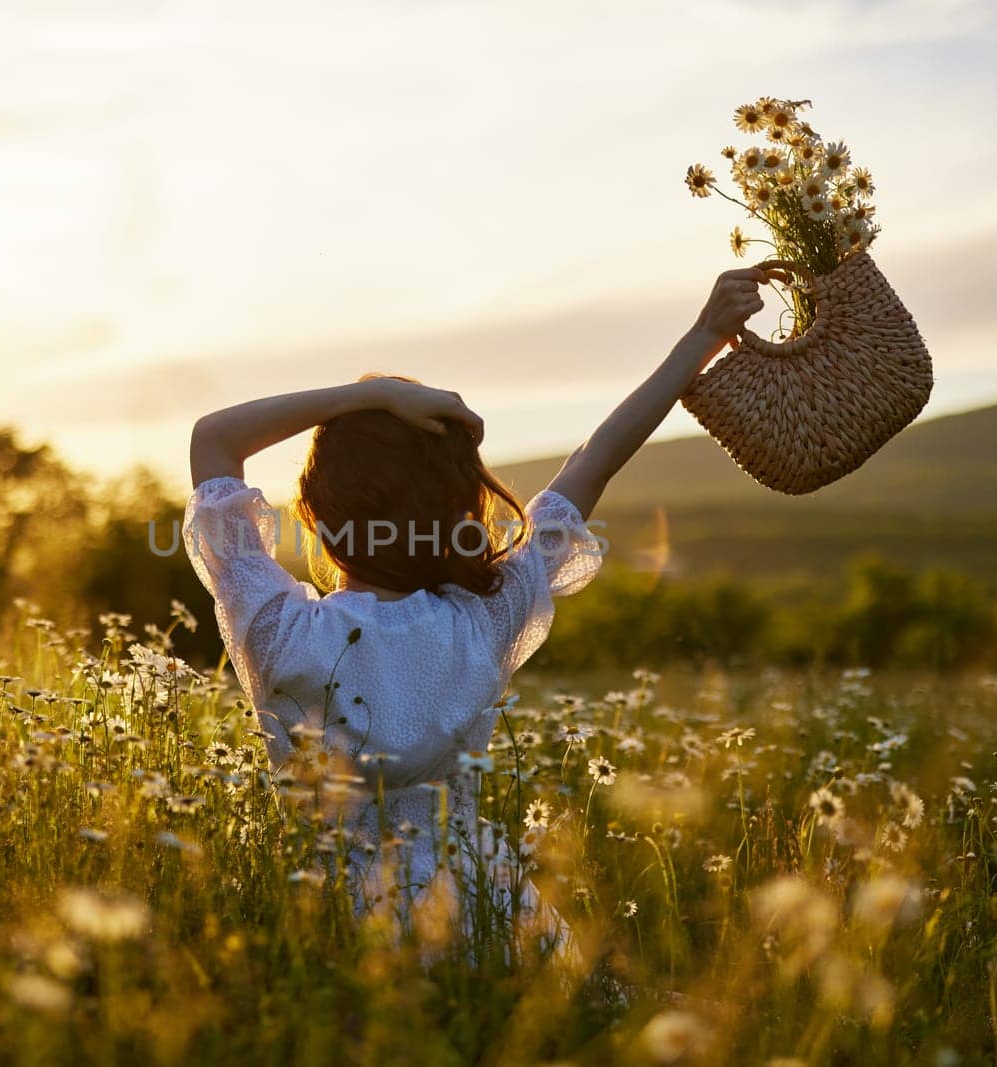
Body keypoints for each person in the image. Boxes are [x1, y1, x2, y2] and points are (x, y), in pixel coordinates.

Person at [181, 266, 774, 950]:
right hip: (489, 922)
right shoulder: (484, 617)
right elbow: (599, 455)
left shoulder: (279, 632)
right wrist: (703, 336)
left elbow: (214, 439)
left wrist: (367, 396)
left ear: (314, 513)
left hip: (339, 935)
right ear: (456, 508)